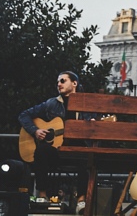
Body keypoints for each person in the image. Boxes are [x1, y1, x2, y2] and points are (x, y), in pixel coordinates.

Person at [17, 71, 95, 205]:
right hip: (57, 151)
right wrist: (35, 131)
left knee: (84, 154)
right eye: (58, 82)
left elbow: (92, 130)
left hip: (76, 151)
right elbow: (23, 115)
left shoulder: (86, 104)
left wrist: (93, 124)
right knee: (41, 150)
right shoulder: (51, 103)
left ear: (74, 83)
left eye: (63, 81)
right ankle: (42, 196)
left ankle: (81, 201)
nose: (59, 84)